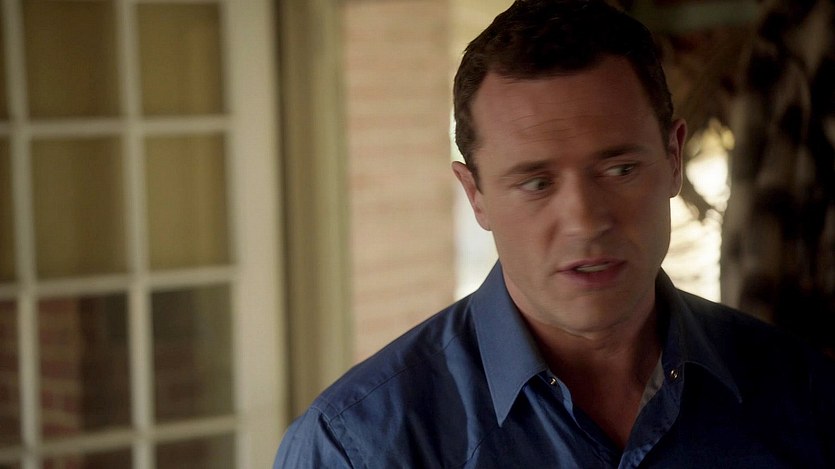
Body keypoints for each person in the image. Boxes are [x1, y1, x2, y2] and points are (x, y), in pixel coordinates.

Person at [274, 0, 835, 467]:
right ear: (475, 194)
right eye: (537, 183)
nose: (586, 221)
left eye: (619, 169)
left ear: (673, 159)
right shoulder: (358, 447)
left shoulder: (803, 393)